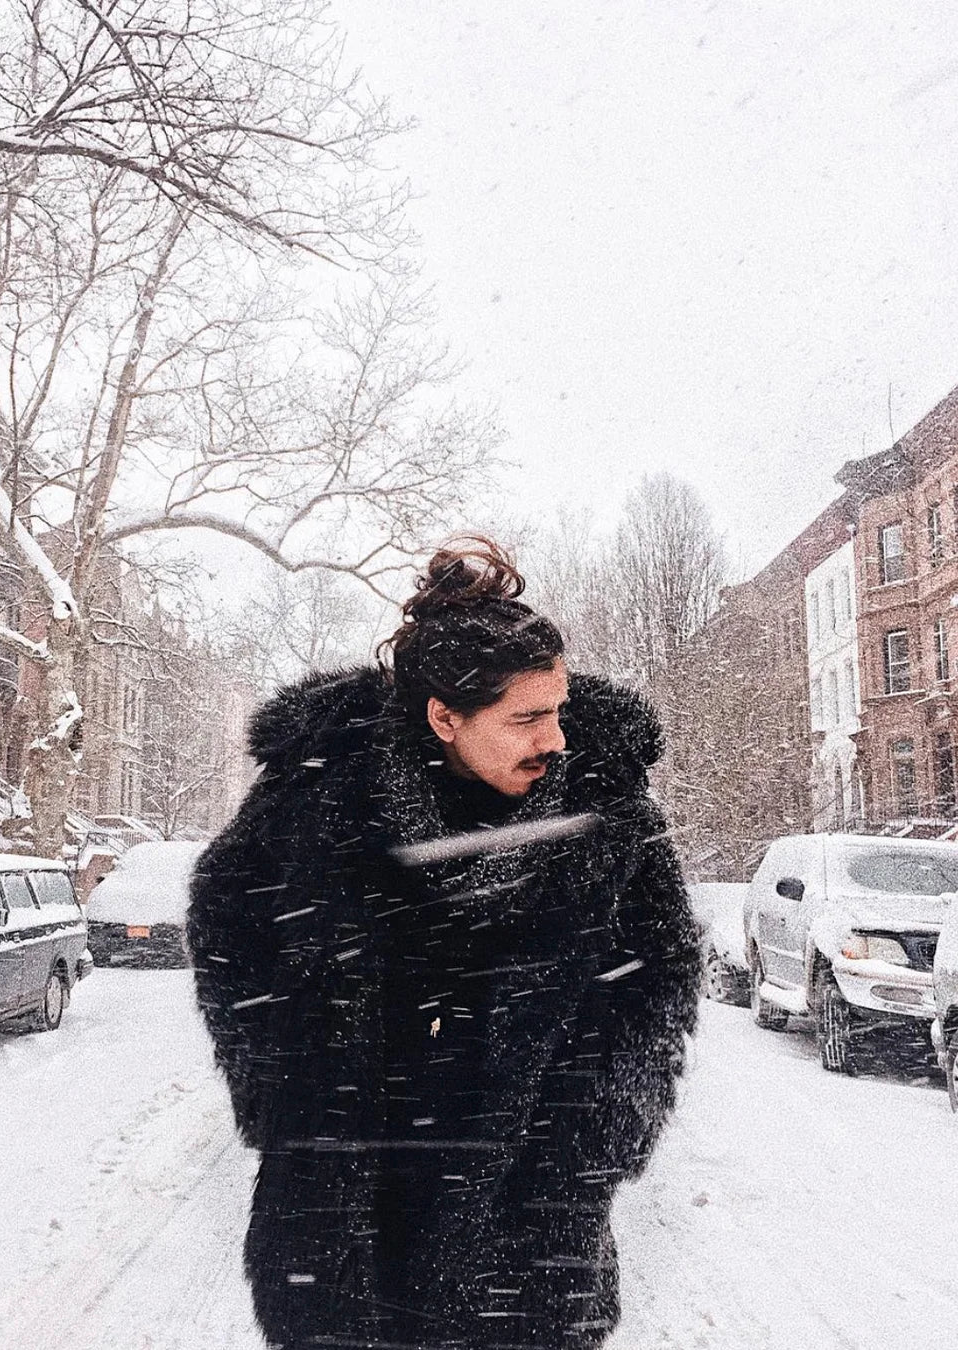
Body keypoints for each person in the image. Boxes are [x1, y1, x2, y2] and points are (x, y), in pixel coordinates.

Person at [186, 538, 701, 1350]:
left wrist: (599, 1129)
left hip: (534, 1209)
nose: (556, 738)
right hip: (347, 1210)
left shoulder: (608, 805)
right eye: (526, 718)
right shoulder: (318, 789)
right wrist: (289, 1096)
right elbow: (227, 921)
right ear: (445, 718)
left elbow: (660, 974)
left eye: (559, 709)